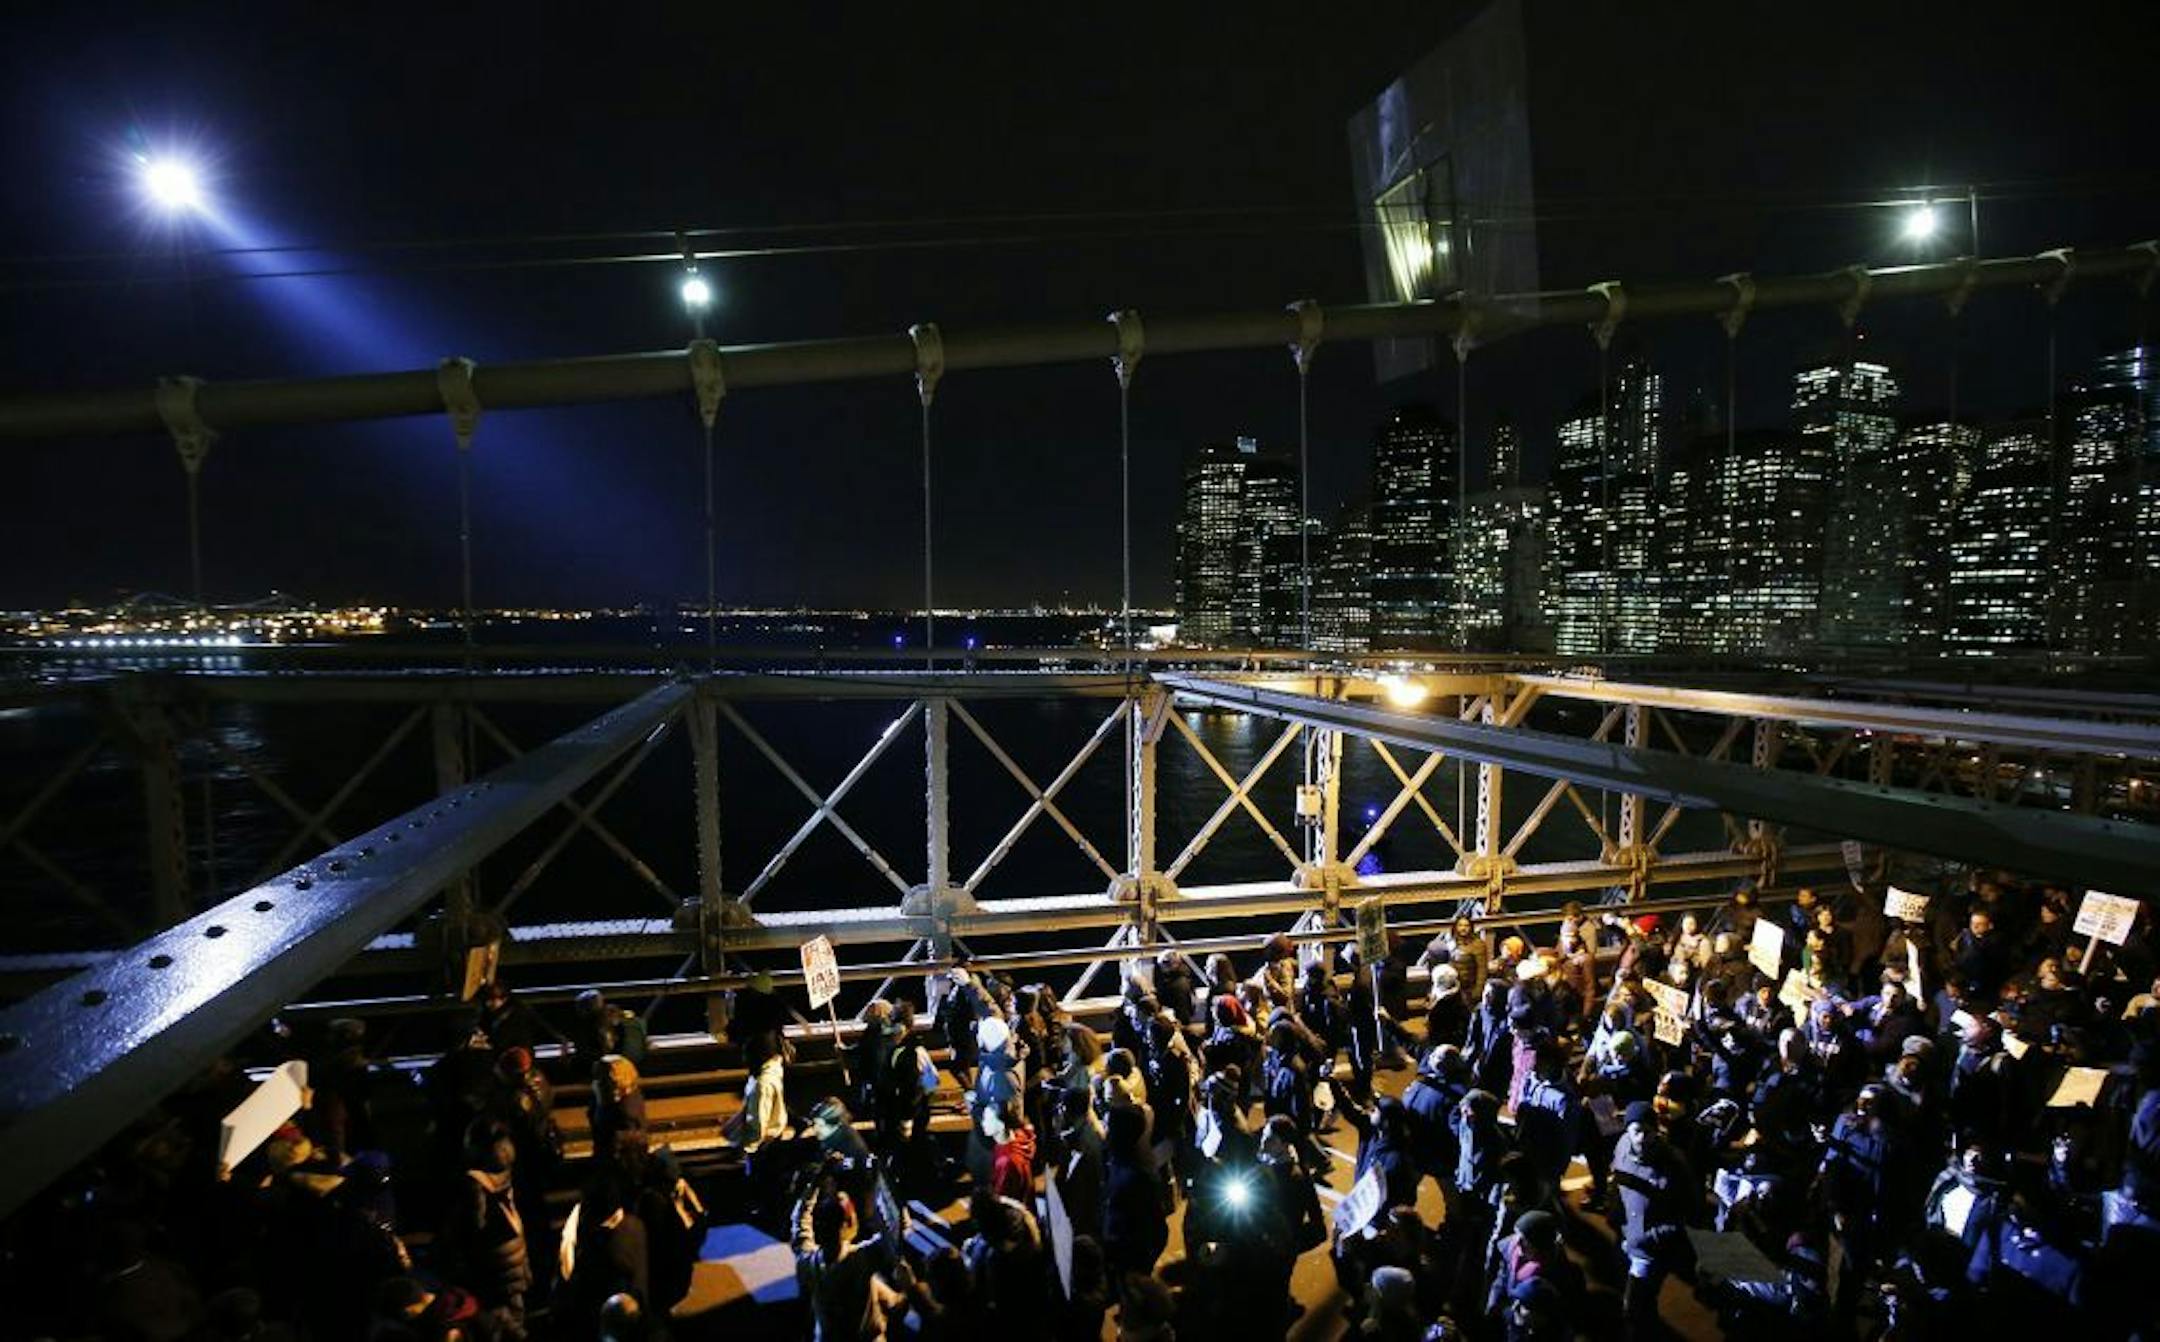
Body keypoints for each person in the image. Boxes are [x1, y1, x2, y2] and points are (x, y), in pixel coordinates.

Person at [1610, 1100, 1694, 1339]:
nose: (1641, 1137)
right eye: (1636, 1130)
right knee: (1637, 1301)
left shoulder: (1674, 1164)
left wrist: (1647, 1239)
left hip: (1649, 1251)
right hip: (1624, 1238)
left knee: (1634, 1307)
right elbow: (1616, 1184)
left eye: (1647, 1131)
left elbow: (1686, 1215)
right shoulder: (1622, 1146)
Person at [440, 1118, 532, 1327]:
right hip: (506, 1268)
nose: (506, 1150)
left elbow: (474, 1228)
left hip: (503, 1269)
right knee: (511, 1320)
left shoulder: (484, 1183)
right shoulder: (489, 1182)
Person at [793, 1189, 905, 1342]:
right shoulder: (861, 1259)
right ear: (847, 1224)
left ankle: (892, 1300)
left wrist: (814, 1184)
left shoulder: (807, 1263)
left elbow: (800, 1223)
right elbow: (893, 1233)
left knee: (877, 1283)